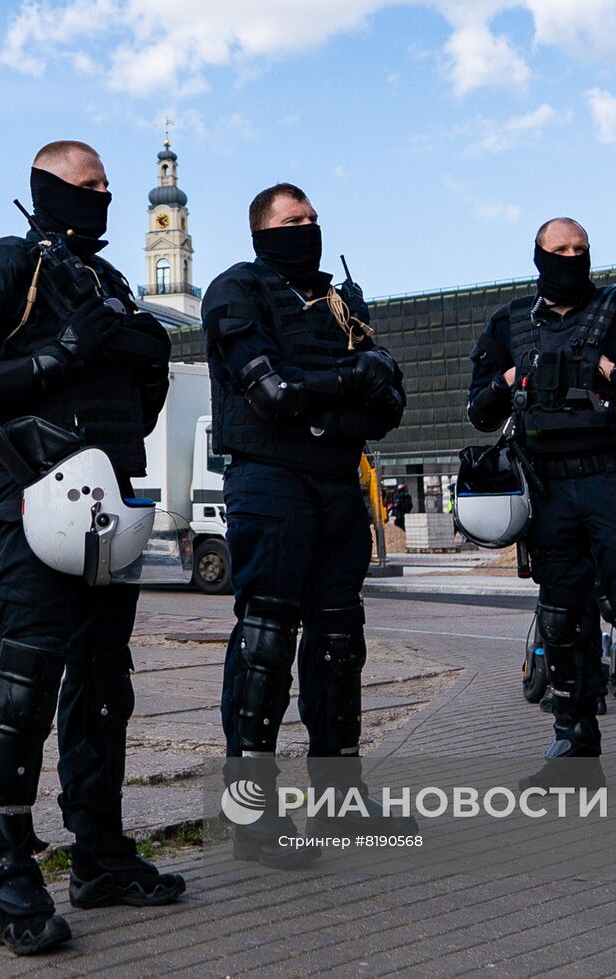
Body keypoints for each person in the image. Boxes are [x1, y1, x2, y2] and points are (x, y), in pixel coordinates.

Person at [0, 139, 183, 955]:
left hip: (112, 500)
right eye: (89, 184)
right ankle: (7, 876)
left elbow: (140, 392)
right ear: (46, 187)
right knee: (26, 685)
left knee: (105, 684)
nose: (104, 195)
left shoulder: (109, 283)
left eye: (109, 186)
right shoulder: (1, 265)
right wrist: (62, 351)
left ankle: (99, 855)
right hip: (34, 495)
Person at [466, 217, 616, 816]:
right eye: (560, 251)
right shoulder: (511, 323)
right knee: (560, 622)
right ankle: (574, 755)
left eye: (581, 250)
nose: (571, 259)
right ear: (539, 256)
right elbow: (477, 410)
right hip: (548, 494)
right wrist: (509, 377)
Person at [202, 182, 411, 868]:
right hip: (268, 479)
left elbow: (389, 406)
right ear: (264, 229)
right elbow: (270, 392)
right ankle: (252, 813)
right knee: (266, 637)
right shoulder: (236, 290)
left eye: (315, 218)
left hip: (335, 481)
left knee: (338, 637)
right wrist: (352, 379)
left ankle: (339, 798)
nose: (310, 227)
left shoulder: (341, 299)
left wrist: (326, 398)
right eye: (295, 220)